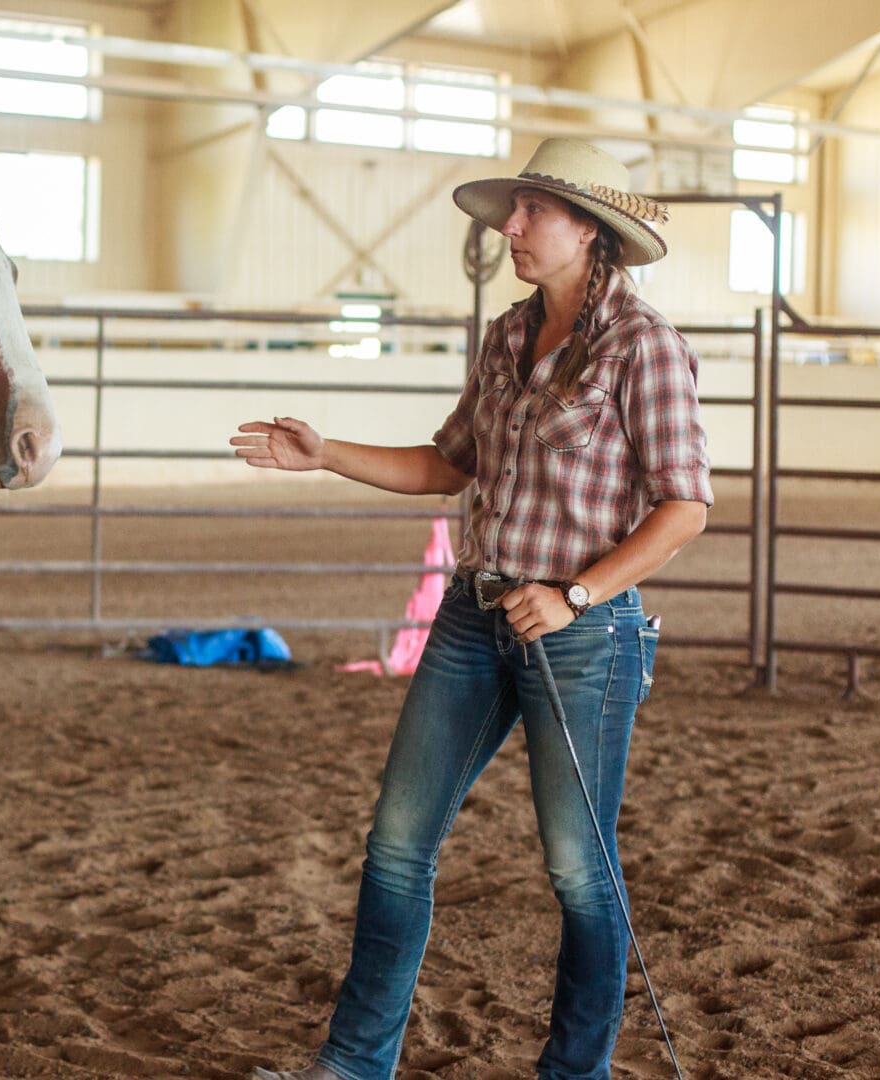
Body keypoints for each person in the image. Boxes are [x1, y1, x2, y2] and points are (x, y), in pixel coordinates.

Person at [232, 138, 712, 1080]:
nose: (511, 226)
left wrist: (578, 594)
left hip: (584, 636)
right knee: (397, 843)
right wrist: (325, 453)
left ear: (590, 229)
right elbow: (448, 464)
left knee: (579, 867)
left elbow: (685, 506)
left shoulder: (642, 346)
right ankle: (353, 1064)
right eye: (513, 210)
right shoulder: (505, 336)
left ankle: (576, 1072)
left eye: (532, 211)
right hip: (474, 617)